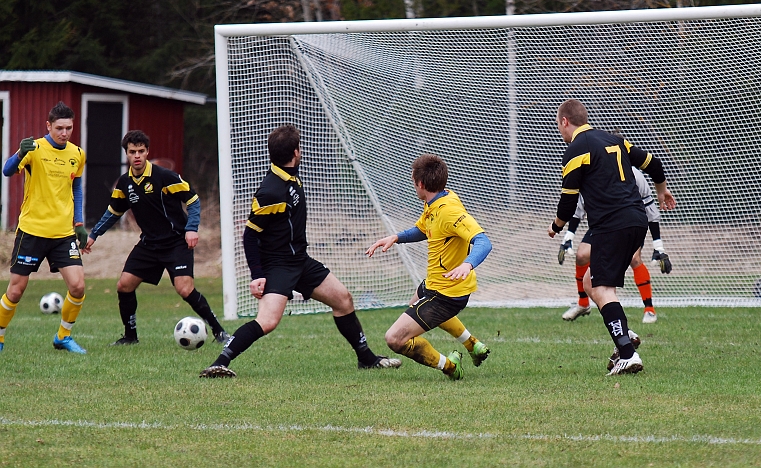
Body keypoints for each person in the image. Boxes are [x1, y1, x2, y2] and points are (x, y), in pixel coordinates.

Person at [199, 125, 401, 378]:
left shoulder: (290, 176)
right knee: (268, 321)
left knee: (343, 299)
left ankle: (367, 359)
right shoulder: (271, 192)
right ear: (296, 152)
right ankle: (220, 362)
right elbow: (250, 235)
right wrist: (257, 274)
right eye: (300, 147)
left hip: (300, 261)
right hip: (278, 265)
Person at [548, 99, 675, 376]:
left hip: (611, 224)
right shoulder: (615, 140)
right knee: (590, 280)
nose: (560, 131)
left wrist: (557, 227)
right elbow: (654, 164)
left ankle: (627, 354)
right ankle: (624, 334)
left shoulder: (575, 151)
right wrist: (662, 191)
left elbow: (568, 203)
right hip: (637, 220)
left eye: (559, 125)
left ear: (565, 122)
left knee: (603, 289)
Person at [85, 130, 229, 345]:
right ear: (126, 154)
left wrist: (191, 228)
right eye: (132, 152)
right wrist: (94, 234)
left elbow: (193, 200)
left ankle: (219, 332)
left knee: (185, 289)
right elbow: (113, 211)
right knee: (124, 285)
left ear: (147, 152)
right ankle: (130, 337)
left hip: (176, 242)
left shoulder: (164, 177)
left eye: (141, 151)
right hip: (149, 244)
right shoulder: (124, 183)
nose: (137, 156)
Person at [366, 154, 492, 380]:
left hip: (447, 292)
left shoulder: (449, 211)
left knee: (395, 338)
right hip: (436, 283)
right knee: (414, 304)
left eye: (413, 182)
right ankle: (473, 345)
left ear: (421, 184)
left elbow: (483, 241)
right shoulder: (437, 202)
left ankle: (451, 367)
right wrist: (396, 237)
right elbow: (424, 229)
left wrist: (467, 264)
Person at [0, 101, 89, 353]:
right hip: (32, 231)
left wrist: (79, 223)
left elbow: (77, 189)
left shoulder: (77, 153)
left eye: (69, 128)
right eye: (59, 127)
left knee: (78, 286)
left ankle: (63, 336)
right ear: (48, 125)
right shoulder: (34, 148)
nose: (64, 133)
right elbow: (6, 171)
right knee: (16, 291)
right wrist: (19, 153)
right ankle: (0, 336)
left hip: (63, 234)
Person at [559, 167, 672, 324]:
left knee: (634, 258)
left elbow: (649, 207)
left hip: (628, 221)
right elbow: (579, 207)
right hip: (602, 224)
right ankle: (583, 303)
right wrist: (568, 236)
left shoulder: (633, 174)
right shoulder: (591, 172)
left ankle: (649, 309)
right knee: (581, 255)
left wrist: (658, 245)